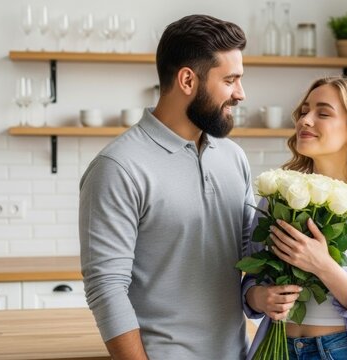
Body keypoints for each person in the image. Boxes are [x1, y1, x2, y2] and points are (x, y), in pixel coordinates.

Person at [79, 14, 254, 359]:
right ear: (188, 80)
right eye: (230, 80)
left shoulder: (234, 157)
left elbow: (249, 261)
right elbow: (106, 288)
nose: (241, 94)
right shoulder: (119, 167)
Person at [242, 77, 347, 360]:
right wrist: (260, 298)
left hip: (339, 351)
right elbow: (250, 282)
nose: (305, 120)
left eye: (322, 113)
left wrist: (324, 266)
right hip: (275, 349)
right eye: (303, 111)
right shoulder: (278, 196)